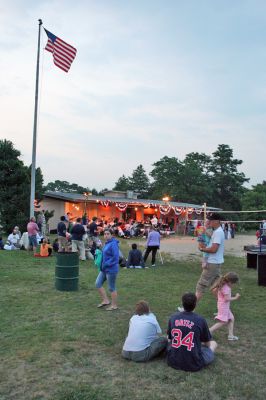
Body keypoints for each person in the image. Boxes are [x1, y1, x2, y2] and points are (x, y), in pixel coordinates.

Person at [167, 292, 217, 372]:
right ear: (195, 304)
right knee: (213, 344)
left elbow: (169, 339)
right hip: (194, 363)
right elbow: (208, 343)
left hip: (173, 361)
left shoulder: (173, 317)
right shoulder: (200, 320)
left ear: (182, 304)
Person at [196, 212, 224, 301]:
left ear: (217, 221)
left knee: (201, 286)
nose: (209, 222)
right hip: (215, 262)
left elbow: (213, 249)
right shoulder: (216, 231)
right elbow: (204, 242)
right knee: (215, 289)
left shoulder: (218, 232)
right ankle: (224, 310)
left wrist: (202, 249)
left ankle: (188, 309)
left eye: (211, 220)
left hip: (212, 262)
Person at [209, 272, 240, 341]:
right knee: (223, 322)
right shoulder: (227, 288)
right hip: (224, 307)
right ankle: (209, 331)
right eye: (233, 283)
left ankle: (231, 336)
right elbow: (227, 299)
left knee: (231, 318)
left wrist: (219, 298)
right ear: (230, 282)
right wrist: (236, 297)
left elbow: (214, 291)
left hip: (222, 305)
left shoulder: (222, 284)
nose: (234, 285)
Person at [95, 229, 119, 311]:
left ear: (112, 235)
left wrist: (106, 264)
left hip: (111, 269)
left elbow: (116, 258)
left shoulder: (114, 244)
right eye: (105, 234)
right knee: (98, 283)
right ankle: (105, 300)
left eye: (108, 234)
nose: (106, 235)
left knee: (111, 288)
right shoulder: (107, 243)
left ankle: (114, 305)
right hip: (104, 269)